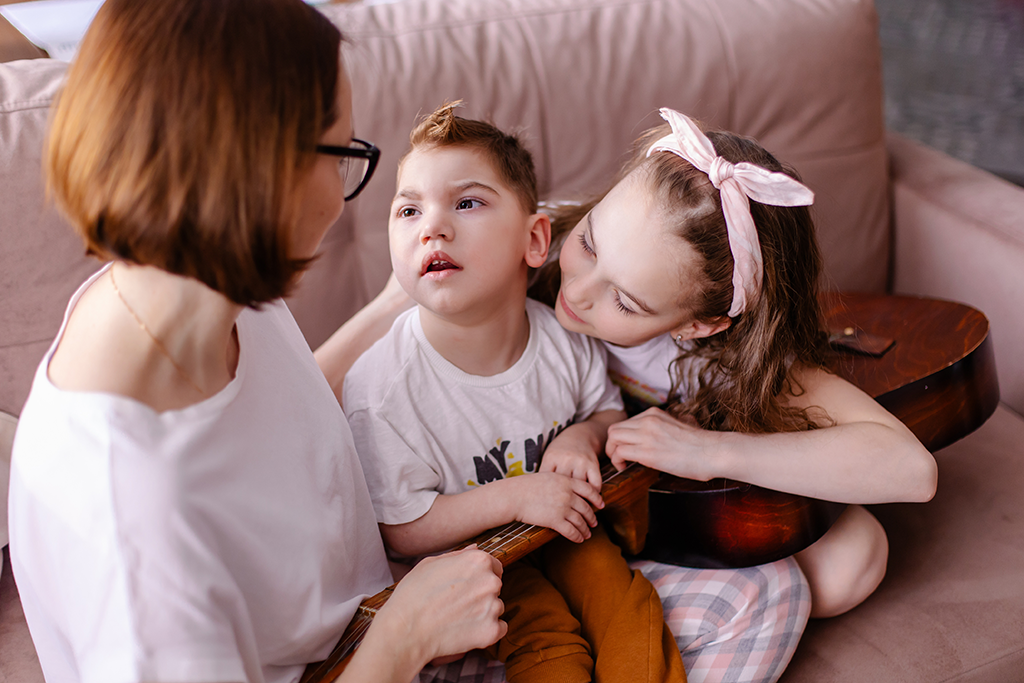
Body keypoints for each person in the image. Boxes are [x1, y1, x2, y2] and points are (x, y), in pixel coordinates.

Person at [7, 2, 507, 683]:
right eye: (344, 154)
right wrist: (402, 639)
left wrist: (397, 303)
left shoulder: (197, 279)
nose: (343, 193)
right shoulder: (130, 513)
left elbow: (278, 418)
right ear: (260, 177)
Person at [533, 108, 938, 620]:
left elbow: (912, 470)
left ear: (699, 325)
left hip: (652, 515)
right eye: (589, 244)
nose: (577, 291)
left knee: (854, 555)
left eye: (626, 302)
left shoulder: (722, 358)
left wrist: (710, 452)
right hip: (539, 497)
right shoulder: (534, 240)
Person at [342, 102, 687, 683]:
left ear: (534, 240)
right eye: (408, 209)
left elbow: (605, 409)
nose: (433, 226)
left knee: (629, 608)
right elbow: (400, 527)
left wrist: (584, 435)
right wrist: (518, 497)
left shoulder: (562, 339)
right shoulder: (381, 390)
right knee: (550, 642)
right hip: (473, 564)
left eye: (467, 202)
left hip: (567, 531)